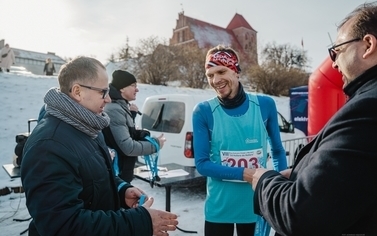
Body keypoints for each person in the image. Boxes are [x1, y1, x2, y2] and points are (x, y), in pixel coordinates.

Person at [246, 2, 377, 236]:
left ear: (368, 45)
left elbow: (301, 215)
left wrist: (263, 180)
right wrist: (298, 174)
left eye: (336, 51)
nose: (334, 62)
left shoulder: (367, 107)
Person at [21, 56, 178, 236]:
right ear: (78, 91)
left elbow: (91, 176)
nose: (109, 99)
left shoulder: (87, 126)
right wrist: (139, 222)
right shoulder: (48, 146)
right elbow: (63, 226)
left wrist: (120, 190)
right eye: (103, 92)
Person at [192, 45, 287, 236]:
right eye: (210, 75)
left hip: (256, 205)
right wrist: (247, 173)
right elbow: (202, 164)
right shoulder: (203, 111)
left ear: (235, 71)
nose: (215, 80)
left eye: (221, 71)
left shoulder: (264, 105)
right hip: (219, 208)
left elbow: (277, 150)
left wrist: (281, 187)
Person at [103, 69, 166, 182]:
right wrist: (155, 145)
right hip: (118, 174)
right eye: (133, 85)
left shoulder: (121, 106)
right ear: (122, 88)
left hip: (122, 172)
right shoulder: (114, 109)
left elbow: (126, 133)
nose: (137, 89)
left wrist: (140, 134)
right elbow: (128, 147)